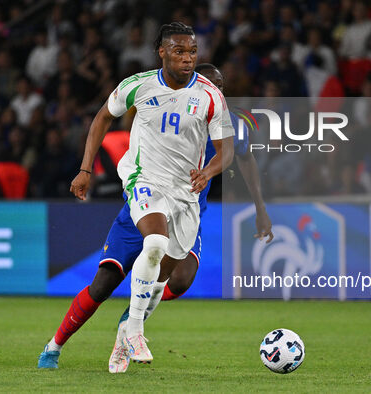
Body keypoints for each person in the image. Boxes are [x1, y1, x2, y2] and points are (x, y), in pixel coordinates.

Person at [38, 22, 234, 369]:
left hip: (183, 196)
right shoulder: (138, 85)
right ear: (161, 51)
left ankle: (124, 334)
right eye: (179, 51)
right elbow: (101, 118)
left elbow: (227, 151)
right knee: (122, 269)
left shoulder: (209, 97)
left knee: (166, 278)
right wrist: (85, 170)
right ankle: (58, 345)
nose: (187, 58)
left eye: (192, 52)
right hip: (143, 182)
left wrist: (207, 171)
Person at [108, 63, 274, 373]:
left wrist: (260, 208)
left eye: (219, 85)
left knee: (181, 279)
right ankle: (132, 329)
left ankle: (130, 326)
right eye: (208, 84)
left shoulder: (232, 123)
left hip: (191, 204)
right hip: (154, 193)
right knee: (151, 249)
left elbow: (246, 159)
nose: (214, 90)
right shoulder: (176, 112)